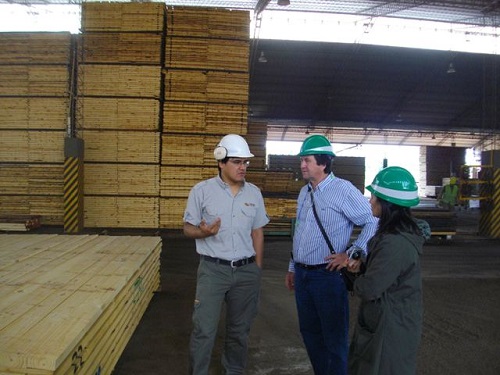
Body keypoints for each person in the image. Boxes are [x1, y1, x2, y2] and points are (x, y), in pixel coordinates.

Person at [284, 134, 378, 375]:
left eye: (307, 160)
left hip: (327, 276)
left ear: (323, 163)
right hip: (304, 275)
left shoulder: (343, 190)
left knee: (334, 340)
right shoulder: (305, 192)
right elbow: (300, 232)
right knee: (310, 334)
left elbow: (372, 220)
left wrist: (353, 253)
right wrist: (293, 267)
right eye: (302, 160)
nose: (302, 165)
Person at [183, 134, 270, 375]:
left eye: (245, 163)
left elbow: (258, 233)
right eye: (237, 162)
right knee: (204, 331)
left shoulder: (254, 193)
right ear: (221, 161)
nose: (243, 168)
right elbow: (187, 228)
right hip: (213, 271)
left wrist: (257, 269)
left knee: (239, 331)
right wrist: (203, 232)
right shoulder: (201, 191)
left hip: (246, 272)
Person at [348, 166, 426, 375]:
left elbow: (370, 288)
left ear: (388, 204)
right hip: (387, 321)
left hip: (390, 327)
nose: (370, 200)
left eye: (374, 196)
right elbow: (385, 272)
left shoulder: (395, 244)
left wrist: (353, 277)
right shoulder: (393, 235)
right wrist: (365, 266)